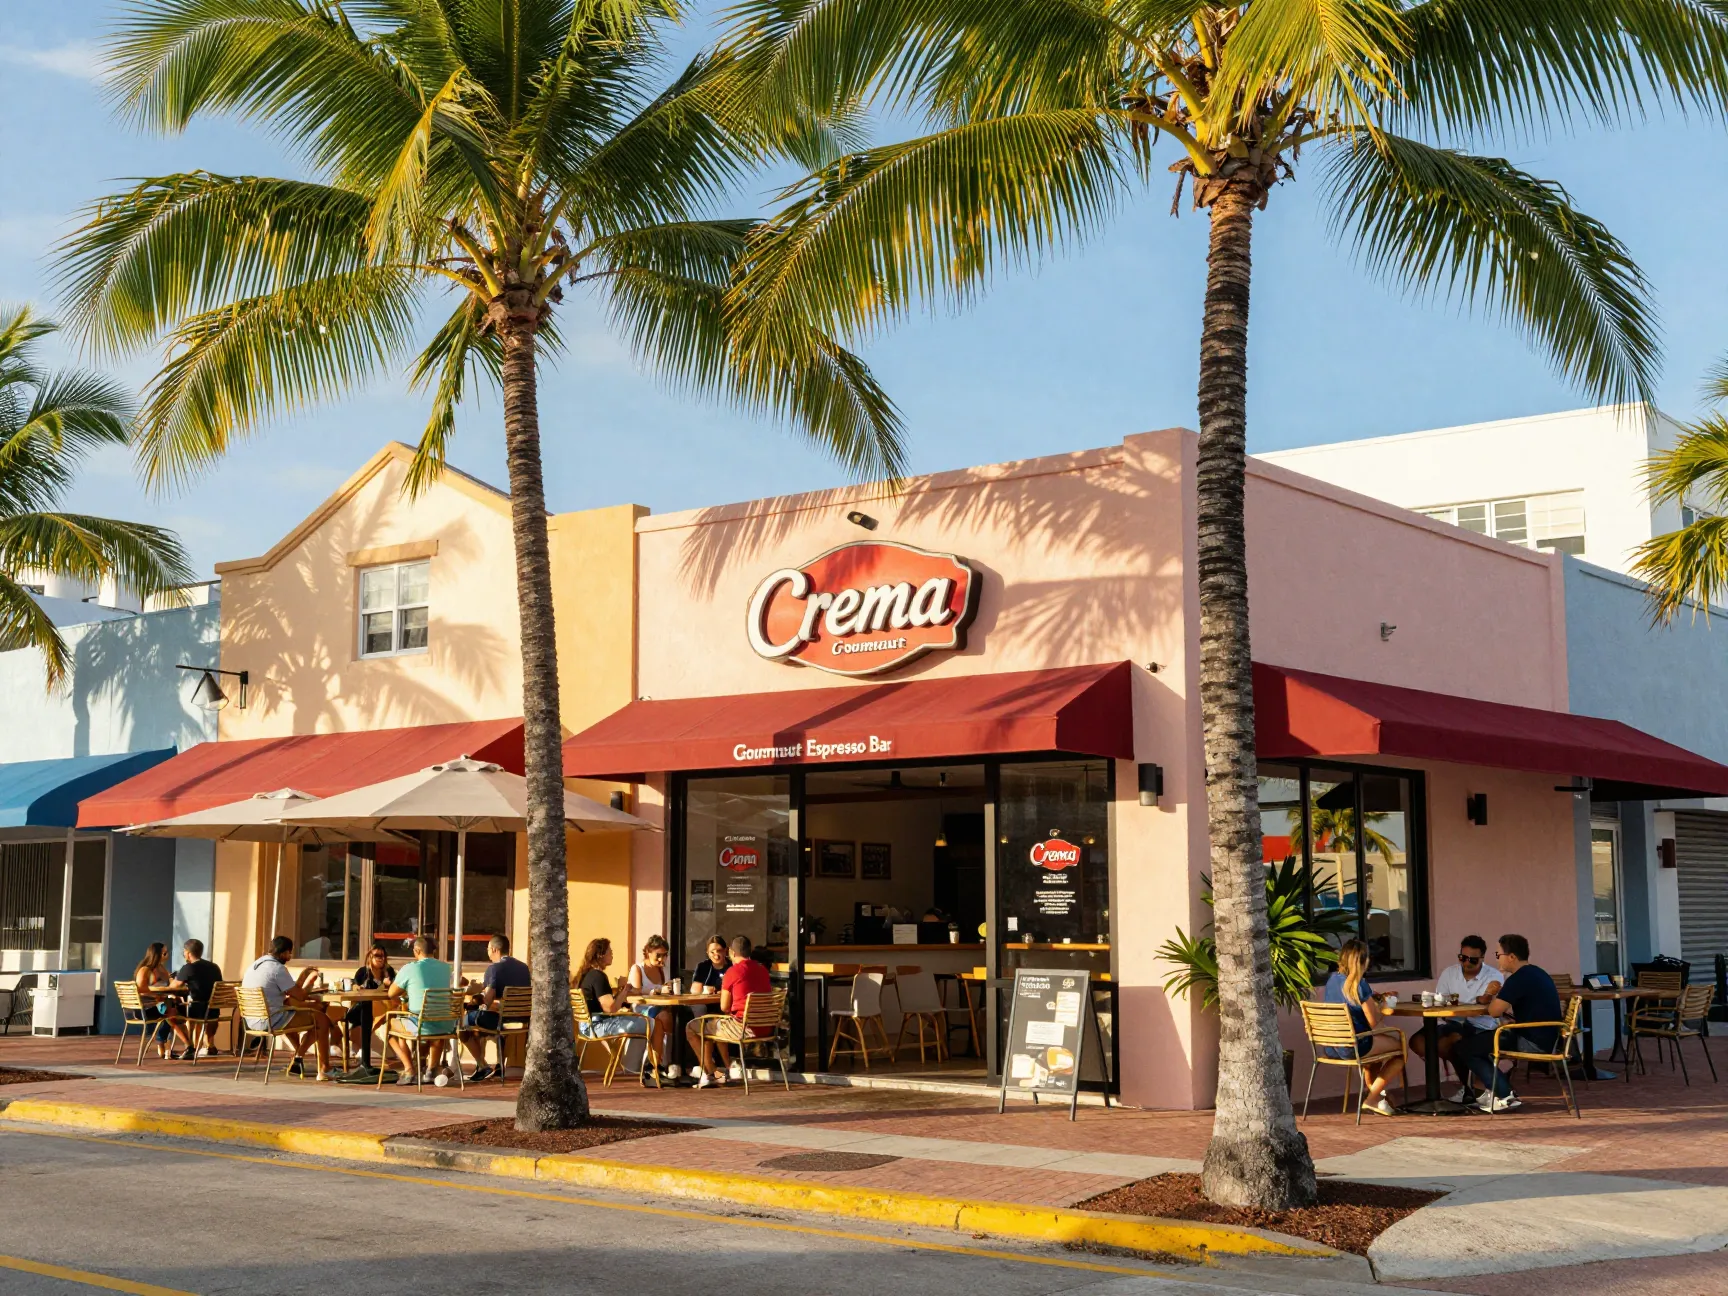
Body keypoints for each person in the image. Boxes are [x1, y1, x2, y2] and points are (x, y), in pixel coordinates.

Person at [1453, 933, 1563, 1112]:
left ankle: (1505, 1095)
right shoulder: (1537, 973)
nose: (1497, 960)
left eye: (1498, 955)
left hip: (1531, 1041)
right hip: (1548, 1038)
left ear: (1511, 957)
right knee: (1480, 1043)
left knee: (1465, 1048)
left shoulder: (1518, 978)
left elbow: (1494, 1011)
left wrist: (1491, 994)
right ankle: (1489, 1092)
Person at [1408, 935, 1502, 1101]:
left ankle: (1466, 1087)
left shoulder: (1493, 976)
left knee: (1453, 1041)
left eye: (1472, 960)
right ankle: (1466, 1086)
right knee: (1417, 1042)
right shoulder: (1449, 973)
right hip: (1449, 1021)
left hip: (1479, 1024)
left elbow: (1490, 1007)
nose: (1466, 963)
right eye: (1462, 958)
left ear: (1482, 958)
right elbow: (1439, 1001)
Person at [1321, 939, 1406, 1117]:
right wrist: (1383, 1007)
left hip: (1331, 1046)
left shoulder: (1331, 981)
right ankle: (1372, 1098)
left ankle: (1377, 1097)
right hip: (1354, 1047)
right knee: (1400, 1049)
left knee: (1374, 1057)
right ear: (1365, 961)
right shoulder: (1359, 985)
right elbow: (1373, 1022)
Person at [241, 936, 342, 1080]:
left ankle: (299, 1057)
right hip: (271, 1020)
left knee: (295, 1010)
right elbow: (300, 996)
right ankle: (323, 1068)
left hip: (251, 1020)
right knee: (322, 1020)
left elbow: (291, 991)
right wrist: (310, 980)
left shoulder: (255, 965)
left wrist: (303, 976)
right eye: (289, 953)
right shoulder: (277, 969)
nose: (290, 957)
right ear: (283, 953)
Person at [685, 934, 773, 1089]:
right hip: (766, 1027)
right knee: (713, 1024)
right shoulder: (763, 970)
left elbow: (724, 1007)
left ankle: (710, 1071)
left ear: (731, 952)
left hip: (742, 1028)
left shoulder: (732, 972)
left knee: (692, 1028)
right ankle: (720, 1069)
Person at [572, 937, 651, 1082]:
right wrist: (626, 989)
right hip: (599, 1025)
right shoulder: (598, 976)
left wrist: (621, 992)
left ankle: (633, 1066)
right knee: (651, 1023)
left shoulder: (585, 975)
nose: (612, 955)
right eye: (610, 952)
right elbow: (611, 1008)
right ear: (601, 955)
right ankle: (651, 1069)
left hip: (585, 1026)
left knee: (640, 1022)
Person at [385, 934, 456, 1085]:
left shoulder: (410, 968)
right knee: (436, 1027)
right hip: (447, 1025)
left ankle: (409, 1070)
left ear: (417, 950)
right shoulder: (446, 967)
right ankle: (431, 1070)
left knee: (388, 1027)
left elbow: (391, 993)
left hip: (421, 1023)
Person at [462, 935, 531, 1081]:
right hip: (523, 1019)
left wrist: (478, 998)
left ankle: (482, 1065)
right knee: (490, 1025)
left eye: (488, 949)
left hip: (501, 1019)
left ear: (494, 949)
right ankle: (499, 1064)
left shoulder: (493, 969)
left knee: (464, 1022)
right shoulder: (524, 968)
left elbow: (488, 999)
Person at [627, 935, 676, 1080]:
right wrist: (656, 991)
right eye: (658, 955)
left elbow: (667, 987)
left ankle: (658, 1064)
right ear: (648, 952)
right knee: (665, 1018)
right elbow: (636, 991)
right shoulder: (638, 969)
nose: (662, 959)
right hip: (642, 1008)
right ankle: (663, 1063)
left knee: (682, 1016)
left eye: (664, 955)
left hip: (661, 1006)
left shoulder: (663, 970)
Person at [168, 939, 224, 1058]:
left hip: (196, 1008)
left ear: (188, 953)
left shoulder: (188, 968)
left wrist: (171, 980)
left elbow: (174, 986)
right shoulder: (214, 967)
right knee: (203, 1010)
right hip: (214, 1009)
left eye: (184, 952)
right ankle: (209, 1045)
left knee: (170, 1013)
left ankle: (190, 1046)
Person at [343, 944, 396, 1069]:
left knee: (366, 1009)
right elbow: (355, 985)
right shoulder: (363, 972)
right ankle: (358, 1049)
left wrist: (388, 984)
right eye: (377, 956)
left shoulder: (389, 972)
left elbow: (395, 990)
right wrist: (358, 987)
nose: (381, 959)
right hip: (364, 1008)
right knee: (358, 1010)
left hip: (384, 1007)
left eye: (383, 956)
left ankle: (360, 1052)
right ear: (370, 956)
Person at [134, 942, 181, 1059]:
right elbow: (140, 989)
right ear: (158, 954)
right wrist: (157, 995)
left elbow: (169, 985)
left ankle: (164, 1044)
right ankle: (164, 1044)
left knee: (175, 1007)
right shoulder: (145, 970)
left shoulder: (162, 969)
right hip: (145, 1008)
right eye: (165, 953)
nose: (167, 955)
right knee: (173, 1011)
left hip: (158, 1005)